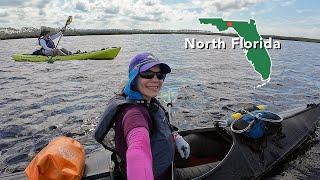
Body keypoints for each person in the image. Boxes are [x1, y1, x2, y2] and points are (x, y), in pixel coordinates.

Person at [107, 52, 190, 179]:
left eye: (160, 75)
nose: (156, 79)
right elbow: (138, 149)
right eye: (147, 74)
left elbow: (163, 127)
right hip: (163, 176)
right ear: (134, 77)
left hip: (167, 159)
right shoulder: (134, 115)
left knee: (199, 141)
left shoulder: (148, 101)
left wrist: (176, 137)